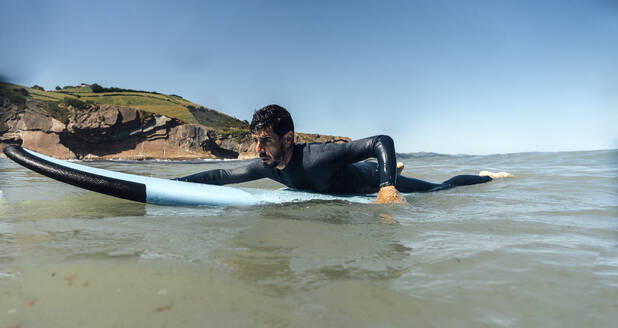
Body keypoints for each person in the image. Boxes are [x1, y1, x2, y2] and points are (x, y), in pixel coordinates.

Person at [176, 104, 511, 204]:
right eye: (256, 141)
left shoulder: (318, 156)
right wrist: (173, 184)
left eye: (265, 141)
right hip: (345, 175)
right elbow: (221, 175)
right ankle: (383, 169)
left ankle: (486, 176)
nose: (258, 149)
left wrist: (387, 186)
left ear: (289, 138)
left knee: (438, 189)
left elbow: (382, 138)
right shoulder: (269, 165)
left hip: (366, 182)